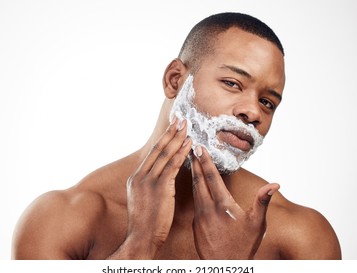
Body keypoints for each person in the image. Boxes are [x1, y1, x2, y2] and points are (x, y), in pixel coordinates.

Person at [12, 12, 341, 260]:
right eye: (232, 83)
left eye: (267, 102)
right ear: (175, 80)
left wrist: (230, 271)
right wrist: (138, 245)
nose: (253, 113)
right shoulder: (61, 219)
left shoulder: (303, 236)